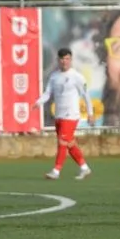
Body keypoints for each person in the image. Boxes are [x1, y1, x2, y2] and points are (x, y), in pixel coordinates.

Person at [34, 47, 94, 180]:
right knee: (69, 143)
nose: (64, 61)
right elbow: (48, 93)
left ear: (71, 60)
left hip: (71, 115)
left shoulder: (77, 77)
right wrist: (38, 102)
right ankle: (85, 168)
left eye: (67, 59)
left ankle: (56, 171)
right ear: (58, 60)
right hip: (59, 115)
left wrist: (90, 113)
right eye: (62, 59)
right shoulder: (54, 76)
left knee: (62, 142)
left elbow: (86, 96)